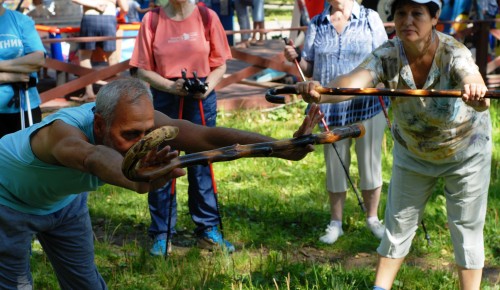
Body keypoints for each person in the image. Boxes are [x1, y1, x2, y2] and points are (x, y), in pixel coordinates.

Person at [0, 77, 323, 289]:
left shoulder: (140, 122)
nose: (143, 143)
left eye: (147, 132)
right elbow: (93, 158)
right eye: (130, 135)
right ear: (99, 122)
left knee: (85, 283)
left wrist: (278, 147)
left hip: (63, 203)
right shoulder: (62, 134)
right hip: (7, 204)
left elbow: (204, 135)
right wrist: (136, 174)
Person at [296, 0, 492, 288]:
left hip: (465, 154)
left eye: (417, 13)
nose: (408, 20)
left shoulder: (453, 51)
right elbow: (352, 81)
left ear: (434, 18)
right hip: (413, 153)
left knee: (466, 230)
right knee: (397, 226)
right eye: (401, 13)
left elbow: (473, 79)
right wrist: (320, 92)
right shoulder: (388, 53)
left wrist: (476, 91)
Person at [130, 0, 237, 255]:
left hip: (202, 97)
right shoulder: (152, 20)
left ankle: (208, 229)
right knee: (162, 162)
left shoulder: (206, 17)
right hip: (166, 97)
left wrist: (207, 87)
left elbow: (220, 63)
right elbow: (141, 70)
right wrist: (169, 86)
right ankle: (162, 231)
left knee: (202, 161)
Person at [283, 0, 388, 245]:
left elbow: (385, 59)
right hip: (330, 108)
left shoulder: (370, 18)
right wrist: (295, 57)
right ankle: (336, 222)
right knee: (335, 166)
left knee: (370, 163)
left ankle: (373, 218)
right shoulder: (317, 23)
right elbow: (309, 69)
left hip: (367, 105)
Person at [0, 0, 46, 138]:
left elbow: (38, 60)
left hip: (25, 104)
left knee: (27, 156)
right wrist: (10, 77)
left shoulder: (21, 20)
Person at [71, 0, 129, 102]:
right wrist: (121, 15)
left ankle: (89, 93)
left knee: (85, 57)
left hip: (90, 17)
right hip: (109, 18)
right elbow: (125, 8)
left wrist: (94, 5)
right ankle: (117, 93)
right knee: (112, 58)